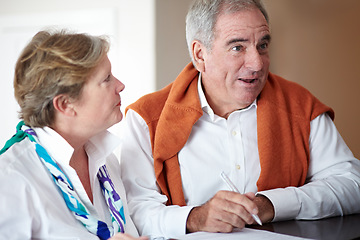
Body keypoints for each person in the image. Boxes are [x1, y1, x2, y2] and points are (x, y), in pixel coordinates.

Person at [120, 0, 360, 238]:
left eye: (263, 45)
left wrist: (271, 203)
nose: (257, 64)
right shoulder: (146, 119)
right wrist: (195, 218)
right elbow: (134, 212)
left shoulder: (300, 105)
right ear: (200, 54)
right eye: (238, 47)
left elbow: (352, 185)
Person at [0, 30, 148, 240]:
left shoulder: (107, 161)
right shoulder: (10, 180)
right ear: (65, 104)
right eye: (106, 79)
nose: (120, 85)